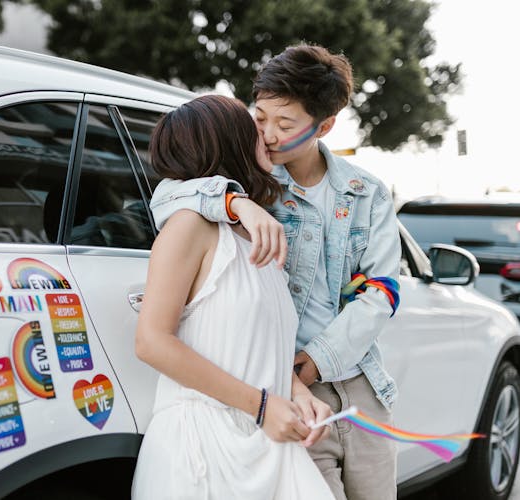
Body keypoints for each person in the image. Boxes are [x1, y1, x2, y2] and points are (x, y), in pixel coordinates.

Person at [148, 44, 402, 500]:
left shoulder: (367, 193)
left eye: (284, 125)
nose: (266, 134)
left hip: (361, 382)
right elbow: (170, 191)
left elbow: (382, 291)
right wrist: (234, 201)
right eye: (259, 118)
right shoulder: (251, 185)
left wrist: (321, 357)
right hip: (282, 382)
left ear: (324, 126)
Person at [131, 94, 334, 500]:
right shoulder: (189, 226)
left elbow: (258, 342)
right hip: (206, 449)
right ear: (229, 142)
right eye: (253, 127)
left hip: (268, 442)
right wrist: (260, 406)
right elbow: (151, 341)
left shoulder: (254, 233)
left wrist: (298, 395)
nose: (267, 136)